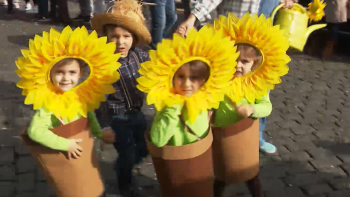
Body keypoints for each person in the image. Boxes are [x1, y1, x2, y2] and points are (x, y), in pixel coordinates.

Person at [16, 26, 122, 197]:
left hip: (83, 152)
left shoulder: (79, 94)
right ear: (49, 74)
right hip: (66, 153)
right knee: (72, 188)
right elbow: (35, 131)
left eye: (72, 72)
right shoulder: (48, 103)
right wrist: (65, 144)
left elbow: (87, 114)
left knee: (89, 182)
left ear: (80, 74)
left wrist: (98, 132)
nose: (66, 78)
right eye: (59, 72)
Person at [137, 25, 238, 197]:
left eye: (194, 78)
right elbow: (157, 140)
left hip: (200, 165)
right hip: (175, 168)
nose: (187, 84)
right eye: (181, 77)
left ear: (204, 80)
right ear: (171, 77)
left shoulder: (205, 100)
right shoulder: (167, 107)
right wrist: (173, 108)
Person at [207, 13, 290, 197]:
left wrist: (252, 109)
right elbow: (209, 99)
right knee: (221, 173)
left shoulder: (256, 85)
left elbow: (266, 106)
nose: (238, 65)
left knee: (250, 174)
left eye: (244, 61)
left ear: (255, 63)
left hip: (245, 136)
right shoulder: (219, 81)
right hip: (222, 135)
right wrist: (208, 112)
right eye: (233, 59)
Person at [91, 0, 152, 195]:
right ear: (106, 37)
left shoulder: (141, 55)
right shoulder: (101, 64)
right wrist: (104, 127)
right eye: (115, 36)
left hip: (137, 113)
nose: (121, 42)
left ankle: (126, 166)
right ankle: (125, 183)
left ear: (134, 38)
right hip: (116, 118)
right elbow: (97, 99)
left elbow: (160, 69)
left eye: (126, 36)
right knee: (126, 153)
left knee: (145, 147)